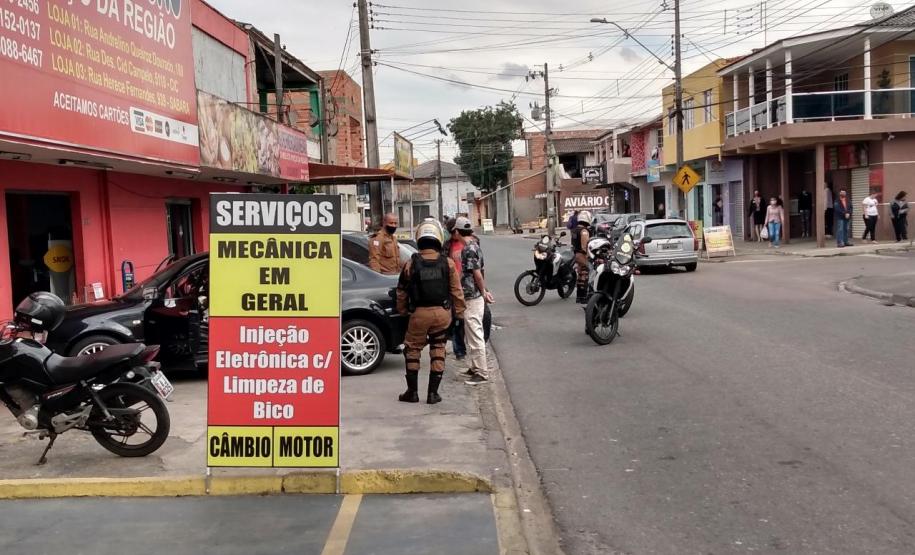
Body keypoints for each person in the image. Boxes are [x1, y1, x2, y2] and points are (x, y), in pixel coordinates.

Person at [395, 219, 465, 404]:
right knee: (438, 349)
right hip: (442, 314)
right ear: (438, 238)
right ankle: (433, 394)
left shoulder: (411, 263)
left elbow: (401, 291)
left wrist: (402, 311)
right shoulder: (448, 263)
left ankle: (412, 392)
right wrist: (459, 315)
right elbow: (457, 291)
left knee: (412, 350)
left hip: (419, 314)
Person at [453, 216, 494, 385]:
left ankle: (482, 373)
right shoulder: (474, 245)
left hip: (472, 296)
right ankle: (476, 367)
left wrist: (484, 292)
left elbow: (476, 273)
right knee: (470, 333)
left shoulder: (468, 249)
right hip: (471, 295)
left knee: (475, 333)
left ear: (456, 231)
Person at [443, 219, 467, 360]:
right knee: (457, 319)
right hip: (453, 287)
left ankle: (477, 345)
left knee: (474, 318)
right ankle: (459, 350)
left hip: (468, 286)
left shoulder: (470, 243)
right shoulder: (447, 246)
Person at [571, 210, 592, 304]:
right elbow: (585, 245)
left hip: (575, 254)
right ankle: (583, 297)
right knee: (585, 274)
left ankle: (579, 296)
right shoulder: (584, 231)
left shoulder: (574, 230)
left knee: (580, 275)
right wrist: (589, 255)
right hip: (581, 254)